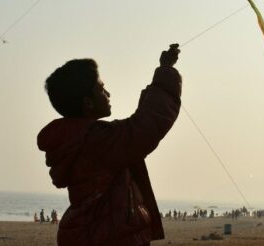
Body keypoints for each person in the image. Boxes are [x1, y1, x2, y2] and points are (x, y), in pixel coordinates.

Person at [37, 44, 182, 246]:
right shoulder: (94, 140)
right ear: (88, 103)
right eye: (101, 89)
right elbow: (145, 127)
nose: (108, 94)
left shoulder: (83, 139)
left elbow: (133, 132)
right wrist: (165, 70)